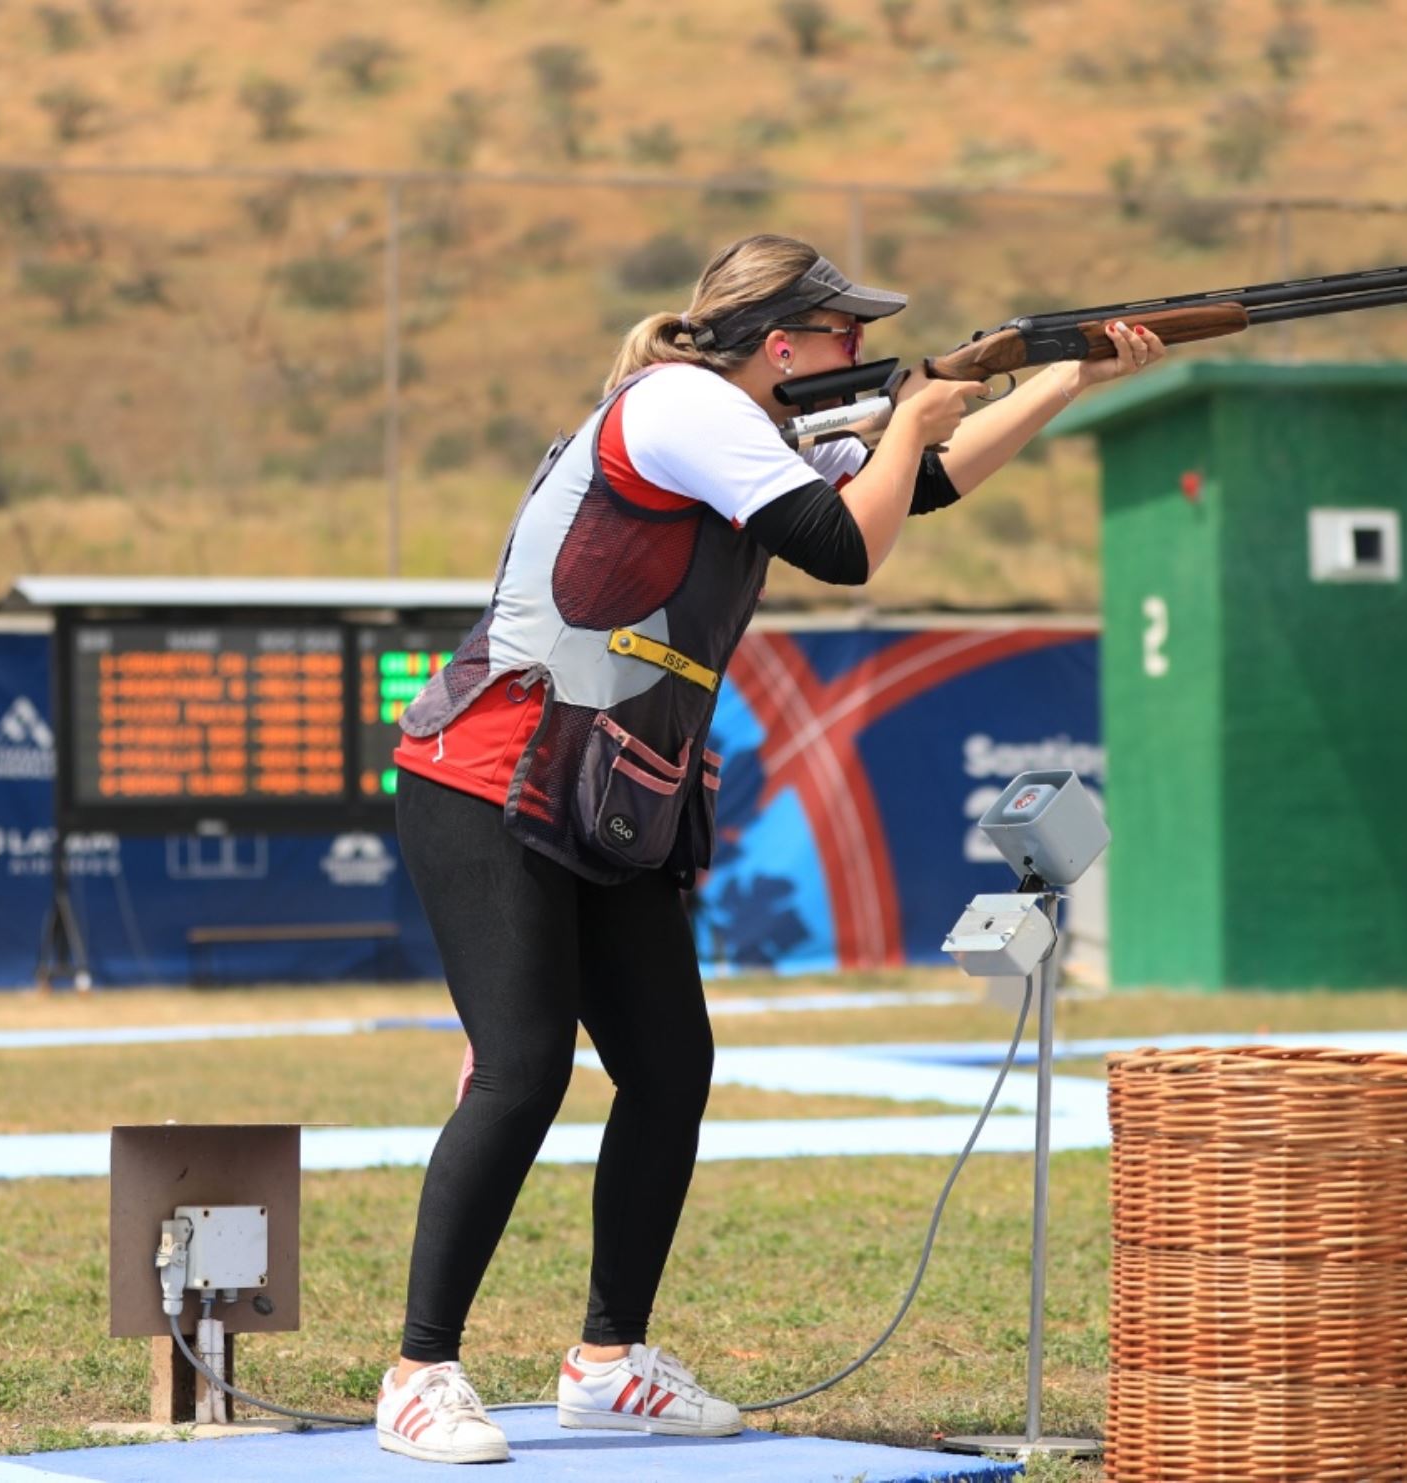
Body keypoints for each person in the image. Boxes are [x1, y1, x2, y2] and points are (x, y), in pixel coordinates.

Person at [372, 232, 1166, 1464]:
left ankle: (607, 1360)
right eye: (843, 334)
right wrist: (911, 416)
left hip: (598, 789)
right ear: (780, 344)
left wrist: (1065, 377)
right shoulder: (685, 403)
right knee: (523, 1070)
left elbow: (927, 484)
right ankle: (420, 1371)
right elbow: (847, 548)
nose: (861, 350)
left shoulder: (756, 431)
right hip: (494, 774)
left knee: (670, 1065)